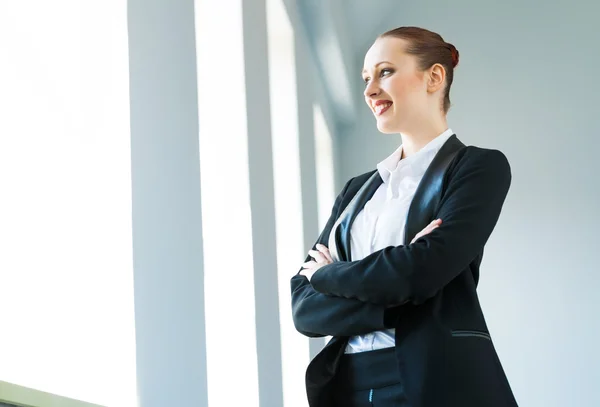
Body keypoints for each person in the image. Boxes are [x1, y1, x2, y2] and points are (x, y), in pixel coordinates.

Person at [291, 26, 518, 407]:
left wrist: (327, 275)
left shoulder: (477, 168)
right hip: (347, 387)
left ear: (434, 77)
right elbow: (304, 308)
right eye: (366, 79)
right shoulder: (356, 191)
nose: (369, 91)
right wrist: (399, 281)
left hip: (435, 382)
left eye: (385, 72)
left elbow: (421, 272)